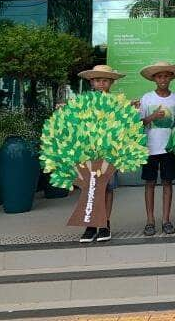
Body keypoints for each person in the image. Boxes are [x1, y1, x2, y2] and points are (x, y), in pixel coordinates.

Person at [76, 64, 126, 243]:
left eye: (105, 80)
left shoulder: (118, 102)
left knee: (107, 188)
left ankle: (104, 224)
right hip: (88, 152)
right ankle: (90, 225)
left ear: (111, 82)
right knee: (89, 188)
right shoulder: (83, 102)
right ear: (92, 82)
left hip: (109, 151)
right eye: (98, 80)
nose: (101, 83)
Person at [138, 61, 175, 237]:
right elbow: (140, 122)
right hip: (150, 148)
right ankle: (150, 221)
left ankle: (166, 220)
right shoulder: (147, 98)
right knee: (149, 183)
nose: (163, 79)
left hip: (168, 148)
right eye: (159, 76)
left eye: (166, 76)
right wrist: (153, 116)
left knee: (167, 183)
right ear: (154, 79)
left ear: (171, 78)